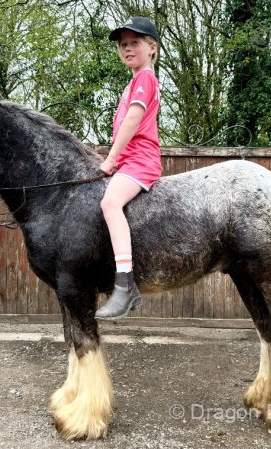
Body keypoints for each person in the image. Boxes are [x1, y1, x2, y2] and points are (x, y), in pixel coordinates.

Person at [95, 17, 162, 320]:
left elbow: (133, 121)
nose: (127, 48)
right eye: (123, 44)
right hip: (130, 160)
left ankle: (125, 286)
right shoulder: (134, 82)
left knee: (110, 203)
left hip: (141, 161)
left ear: (152, 48)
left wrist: (111, 159)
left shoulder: (145, 79)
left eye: (135, 42)